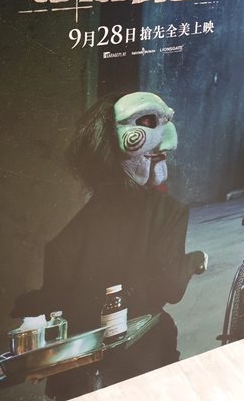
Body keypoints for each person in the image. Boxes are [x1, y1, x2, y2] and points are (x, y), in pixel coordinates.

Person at [12, 91, 208, 400]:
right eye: (157, 156)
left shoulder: (75, 228)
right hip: (141, 359)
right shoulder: (168, 211)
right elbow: (169, 288)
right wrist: (195, 260)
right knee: (163, 331)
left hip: (77, 367)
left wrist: (28, 306)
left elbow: (54, 298)